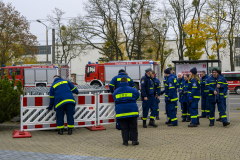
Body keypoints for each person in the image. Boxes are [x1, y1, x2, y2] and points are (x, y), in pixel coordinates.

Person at [113, 77, 140, 146]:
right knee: (133, 126)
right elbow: (138, 97)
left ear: (120, 83)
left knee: (124, 127)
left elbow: (115, 99)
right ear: (127, 82)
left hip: (121, 112)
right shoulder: (133, 90)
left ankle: (125, 142)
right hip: (132, 111)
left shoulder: (116, 91)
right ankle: (134, 141)